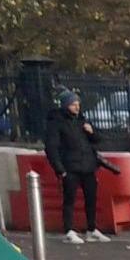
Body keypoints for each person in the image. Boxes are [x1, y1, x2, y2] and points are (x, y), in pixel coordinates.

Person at [44, 90, 111, 244]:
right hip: (70, 166)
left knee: (91, 198)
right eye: (73, 104)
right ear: (66, 105)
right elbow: (52, 147)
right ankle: (69, 230)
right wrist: (60, 169)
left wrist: (92, 132)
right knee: (69, 199)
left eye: (78, 104)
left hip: (87, 165)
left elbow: (98, 140)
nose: (77, 107)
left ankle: (91, 229)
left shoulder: (82, 120)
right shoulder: (57, 123)